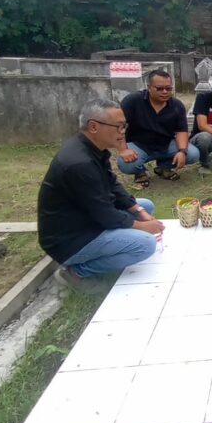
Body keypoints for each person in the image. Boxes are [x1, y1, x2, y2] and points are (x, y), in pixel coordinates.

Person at [38, 99, 165, 294]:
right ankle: (77, 272)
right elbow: (105, 214)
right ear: (94, 127)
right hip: (70, 240)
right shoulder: (79, 163)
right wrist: (142, 227)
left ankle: (116, 244)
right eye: (118, 126)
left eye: (124, 126)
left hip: (85, 218)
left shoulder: (93, 149)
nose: (122, 132)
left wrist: (137, 210)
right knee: (145, 245)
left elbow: (112, 184)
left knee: (145, 205)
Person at [117, 70, 199, 188]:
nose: (164, 92)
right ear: (149, 87)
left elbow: (181, 130)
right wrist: (123, 149)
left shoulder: (177, 105)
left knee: (192, 154)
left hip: (166, 144)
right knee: (126, 164)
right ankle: (140, 172)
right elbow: (117, 126)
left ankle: (164, 167)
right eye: (159, 88)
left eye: (168, 88)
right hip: (138, 144)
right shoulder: (133, 101)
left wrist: (182, 151)